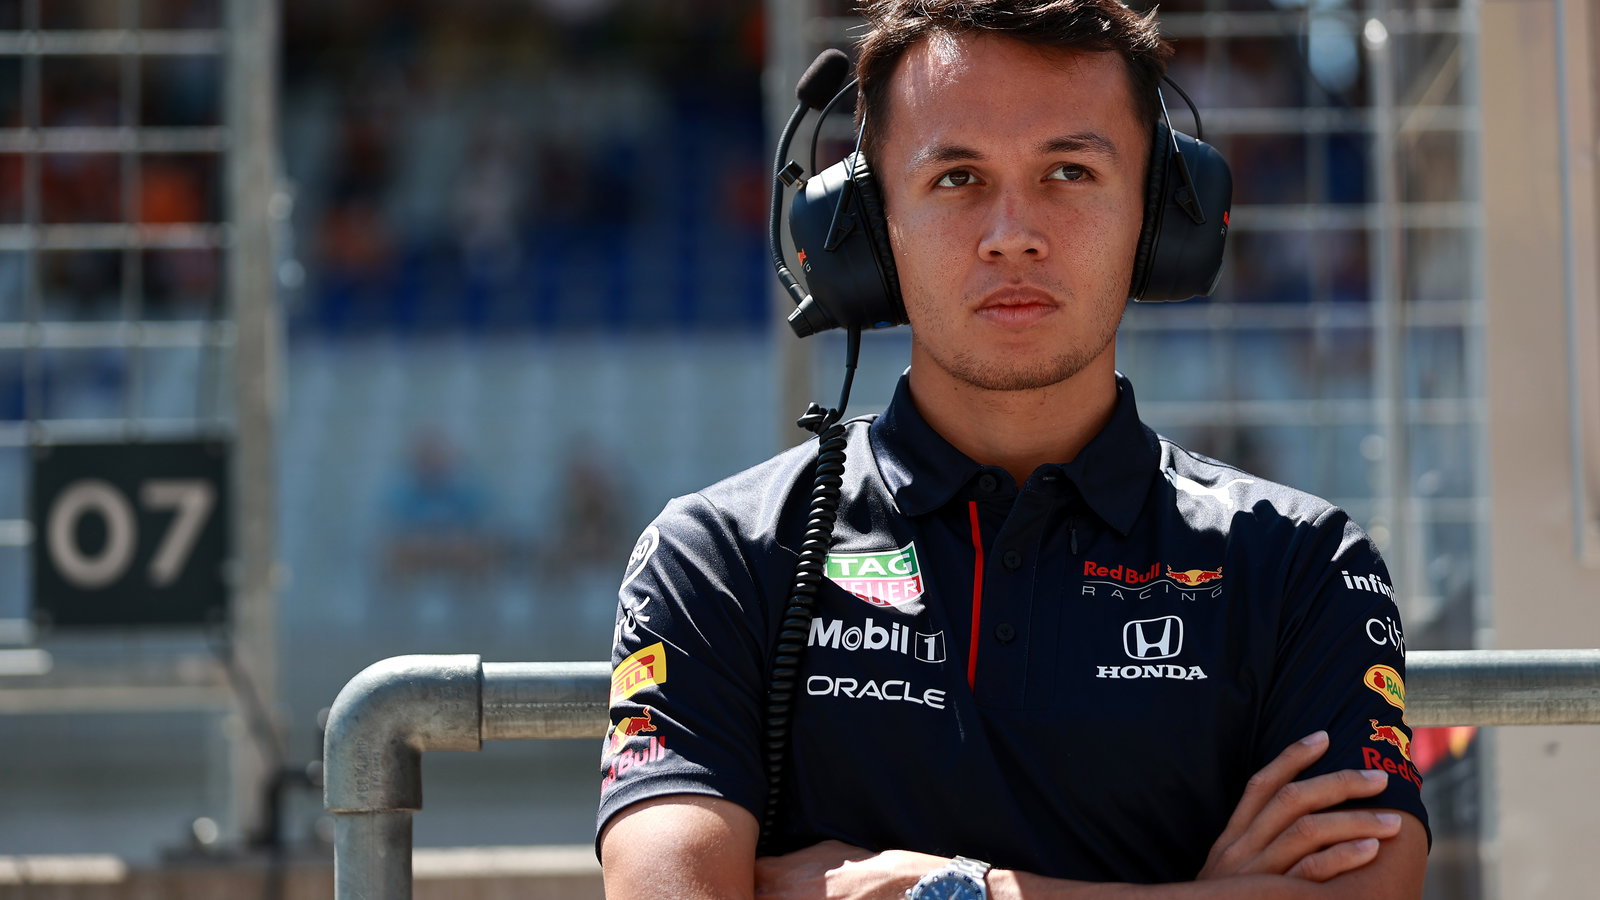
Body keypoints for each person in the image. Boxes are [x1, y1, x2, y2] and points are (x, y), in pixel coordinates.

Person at [596, 1, 1428, 897]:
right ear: (868, 228)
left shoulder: (1301, 564)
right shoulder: (719, 555)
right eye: (957, 178)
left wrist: (954, 891)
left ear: (1159, 216)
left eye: (1070, 171)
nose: (1012, 235)